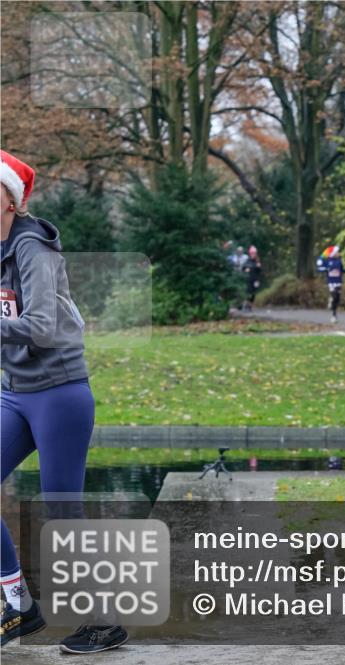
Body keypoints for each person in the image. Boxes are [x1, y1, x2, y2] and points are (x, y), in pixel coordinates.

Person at [0, 151, 128, 652]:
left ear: (10, 200)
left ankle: (105, 621)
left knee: (62, 510)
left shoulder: (34, 248)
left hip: (59, 393)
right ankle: (18, 604)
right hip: (15, 393)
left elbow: (40, 327)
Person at [316, 244, 345, 323]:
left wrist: (344, 270)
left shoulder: (339, 260)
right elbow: (319, 268)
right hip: (331, 282)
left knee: (337, 298)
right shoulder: (327, 260)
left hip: (338, 281)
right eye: (337, 252)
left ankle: (334, 313)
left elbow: (341, 269)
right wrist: (326, 269)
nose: (338, 253)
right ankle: (332, 309)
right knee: (334, 294)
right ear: (333, 253)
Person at [241, 245, 262, 311]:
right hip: (248, 279)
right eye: (252, 253)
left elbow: (259, 271)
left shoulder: (257, 261)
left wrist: (258, 267)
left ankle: (250, 306)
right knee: (248, 292)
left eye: (254, 253)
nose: (253, 255)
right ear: (250, 254)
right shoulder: (248, 260)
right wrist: (246, 269)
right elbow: (243, 268)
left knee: (253, 293)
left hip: (255, 279)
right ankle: (246, 306)